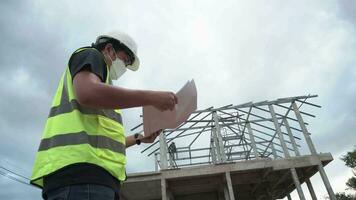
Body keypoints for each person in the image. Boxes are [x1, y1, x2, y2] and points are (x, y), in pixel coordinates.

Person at [30, 31, 178, 200]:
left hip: (88, 177)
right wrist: (151, 98)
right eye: (126, 60)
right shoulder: (91, 55)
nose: (125, 66)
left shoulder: (104, 86)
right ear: (109, 49)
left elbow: (104, 143)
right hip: (82, 177)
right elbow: (87, 93)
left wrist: (139, 138)